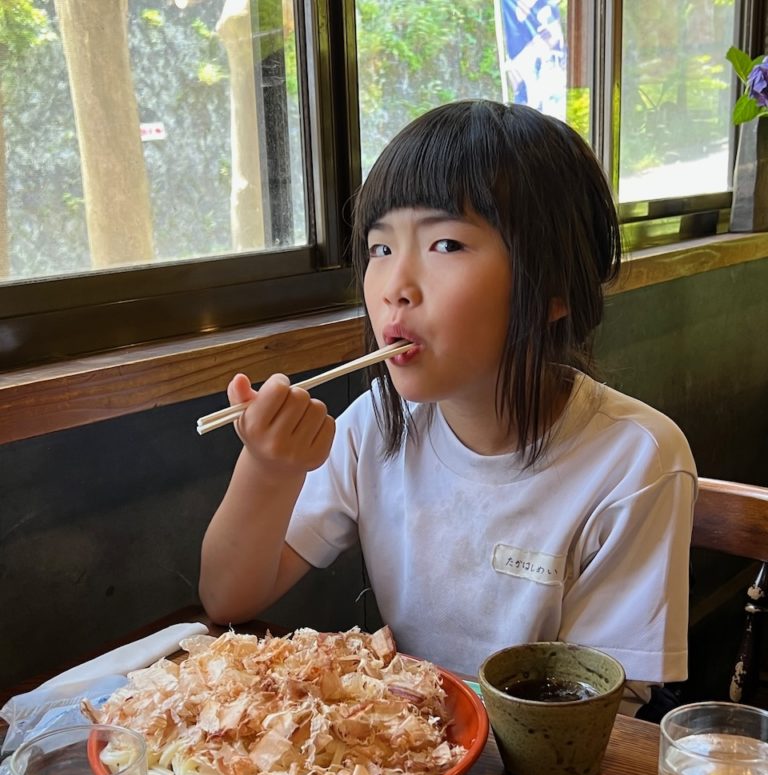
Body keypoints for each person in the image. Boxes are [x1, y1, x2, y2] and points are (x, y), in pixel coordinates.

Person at [199, 99, 697, 718]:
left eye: (445, 243)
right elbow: (227, 600)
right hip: (407, 744)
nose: (394, 287)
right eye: (380, 248)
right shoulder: (373, 428)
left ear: (554, 289)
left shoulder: (634, 459)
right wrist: (268, 470)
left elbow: (598, 712)